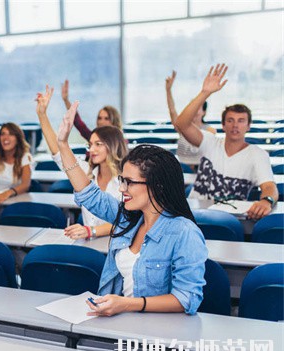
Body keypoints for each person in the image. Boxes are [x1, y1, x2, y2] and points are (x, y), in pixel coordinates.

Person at [57, 102, 207, 317]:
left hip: (156, 332)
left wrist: (128, 304)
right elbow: (89, 195)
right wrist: (62, 144)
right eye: (122, 181)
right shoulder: (130, 219)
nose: (121, 188)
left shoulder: (185, 233)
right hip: (120, 321)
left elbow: (187, 298)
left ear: (157, 185)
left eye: (129, 182)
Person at [174, 64, 278, 220]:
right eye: (230, 120)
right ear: (223, 125)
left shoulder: (257, 154)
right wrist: (205, 92)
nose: (235, 125)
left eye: (241, 121)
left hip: (230, 217)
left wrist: (267, 200)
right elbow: (182, 124)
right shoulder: (209, 141)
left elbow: (269, 186)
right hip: (194, 214)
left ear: (248, 126)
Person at [36, 85, 128, 240]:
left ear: (113, 146)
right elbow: (59, 153)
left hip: (118, 245)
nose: (91, 149)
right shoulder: (86, 170)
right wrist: (42, 115)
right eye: (90, 144)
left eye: (98, 144)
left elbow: (130, 219)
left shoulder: (127, 179)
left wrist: (91, 230)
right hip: (90, 243)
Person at [165, 70, 217, 168]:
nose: (195, 111)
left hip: (199, 172)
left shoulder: (210, 130)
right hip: (181, 170)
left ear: (204, 112)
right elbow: (172, 110)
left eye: (198, 108)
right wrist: (168, 90)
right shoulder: (182, 127)